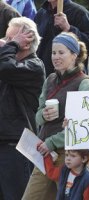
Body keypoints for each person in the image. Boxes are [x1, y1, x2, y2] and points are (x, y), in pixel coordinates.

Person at [22, 32, 89, 200]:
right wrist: (44, 116)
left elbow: (84, 125)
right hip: (45, 153)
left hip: (71, 155)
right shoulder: (50, 80)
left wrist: (51, 142)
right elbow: (37, 116)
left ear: (74, 55)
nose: (55, 57)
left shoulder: (85, 84)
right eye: (53, 53)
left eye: (61, 52)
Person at [0, 16, 45, 200]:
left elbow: (4, 67)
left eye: (11, 38)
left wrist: (11, 46)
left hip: (16, 146)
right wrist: (10, 46)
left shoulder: (34, 66)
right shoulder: (8, 62)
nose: (5, 42)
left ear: (25, 43)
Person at [34, 0, 89, 76]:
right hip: (44, 77)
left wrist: (69, 28)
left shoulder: (79, 13)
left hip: (71, 78)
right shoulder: (41, 13)